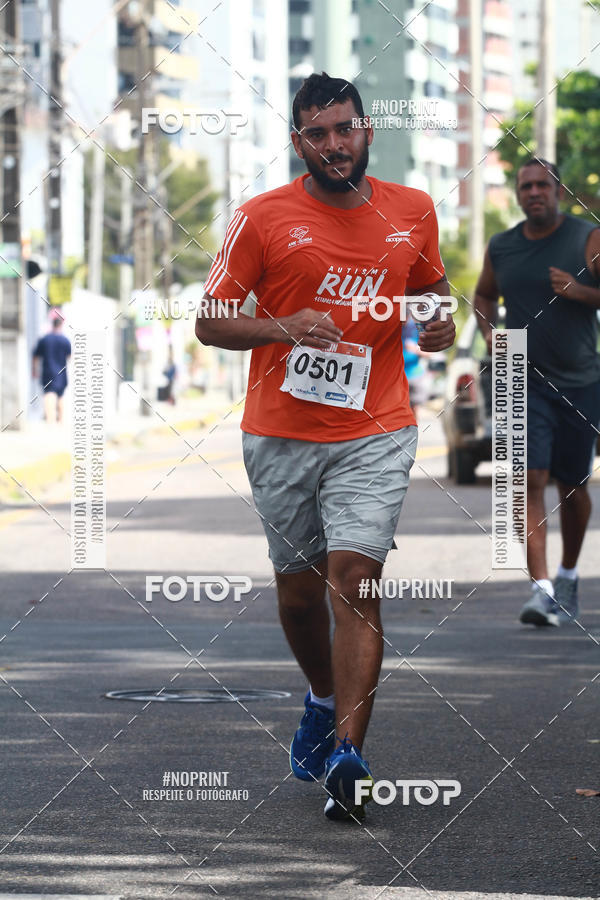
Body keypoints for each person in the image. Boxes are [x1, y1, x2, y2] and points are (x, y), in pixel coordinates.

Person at [195, 72, 455, 821]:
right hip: (281, 432)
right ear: (298, 142)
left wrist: (440, 323)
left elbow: (429, 291)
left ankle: (349, 755)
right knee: (300, 594)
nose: (334, 144)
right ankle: (319, 695)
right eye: (317, 133)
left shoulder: (413, 209)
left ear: (366, 131)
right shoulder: (261, 218)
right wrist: (283, 326)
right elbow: (210, 321)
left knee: (356, 577)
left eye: (345, 129)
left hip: (376, 426)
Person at [474, 157, 600, 628]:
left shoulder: (587, 238)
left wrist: (580, 292)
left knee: (573, 487)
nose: (533, 193)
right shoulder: (502, 246)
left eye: (542, 185)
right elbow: (484, 296)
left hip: (580, 381)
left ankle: (567, 574)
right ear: (518, 194)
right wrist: (490, 332)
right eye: (525, 186)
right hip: (520, 376)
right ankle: (541, 589)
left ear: (558, 191)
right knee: (528, 478)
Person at [32, 315, 72, 423]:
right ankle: (61, 420)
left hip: (48, 372)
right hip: (61, 373)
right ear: (61, 325)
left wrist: (34, 370)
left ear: (52, 324)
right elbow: (70, 357)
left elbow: (35, 356)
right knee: (60, 395)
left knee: (49, 393)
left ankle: (50, 420)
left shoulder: (44, 339)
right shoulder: (65, 340)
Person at [402, 315, 431, 420]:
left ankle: (413, 428)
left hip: (414, 376)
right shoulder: (392, 327)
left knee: (413, 408)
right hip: (396, 377)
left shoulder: (417, 328)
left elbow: (429, 353)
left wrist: (414, 349)